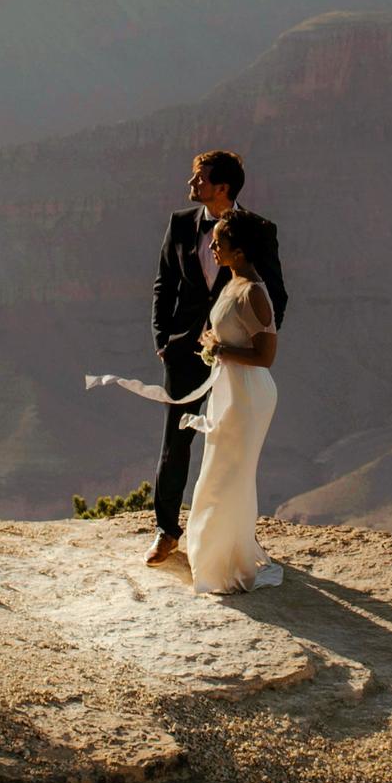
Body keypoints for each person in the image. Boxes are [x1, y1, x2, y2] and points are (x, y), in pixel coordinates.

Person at [148, 149, 284, 569]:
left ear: (222, 187)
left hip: (237, 359)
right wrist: (162, 338)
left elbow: (275, 293)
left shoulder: (259, 229)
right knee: (176, 442)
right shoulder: (180, 224)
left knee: (232, 444)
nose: (191, 185)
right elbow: (163, 283)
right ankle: (166, 531)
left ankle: (230, 535)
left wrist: (251, 342)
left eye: (200, 179)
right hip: (185, 352)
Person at [179, 216, 280, 592]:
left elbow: (266, 355)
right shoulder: (233, 281)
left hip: (249, 396)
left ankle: (225, 560)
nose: (212, 248)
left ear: (240, 251)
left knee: (229, 473)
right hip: (232, 390)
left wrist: (220, 349)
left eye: (219, 243)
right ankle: (213, 552)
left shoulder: (254, 292)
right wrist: (216, 348)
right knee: (220, 470)